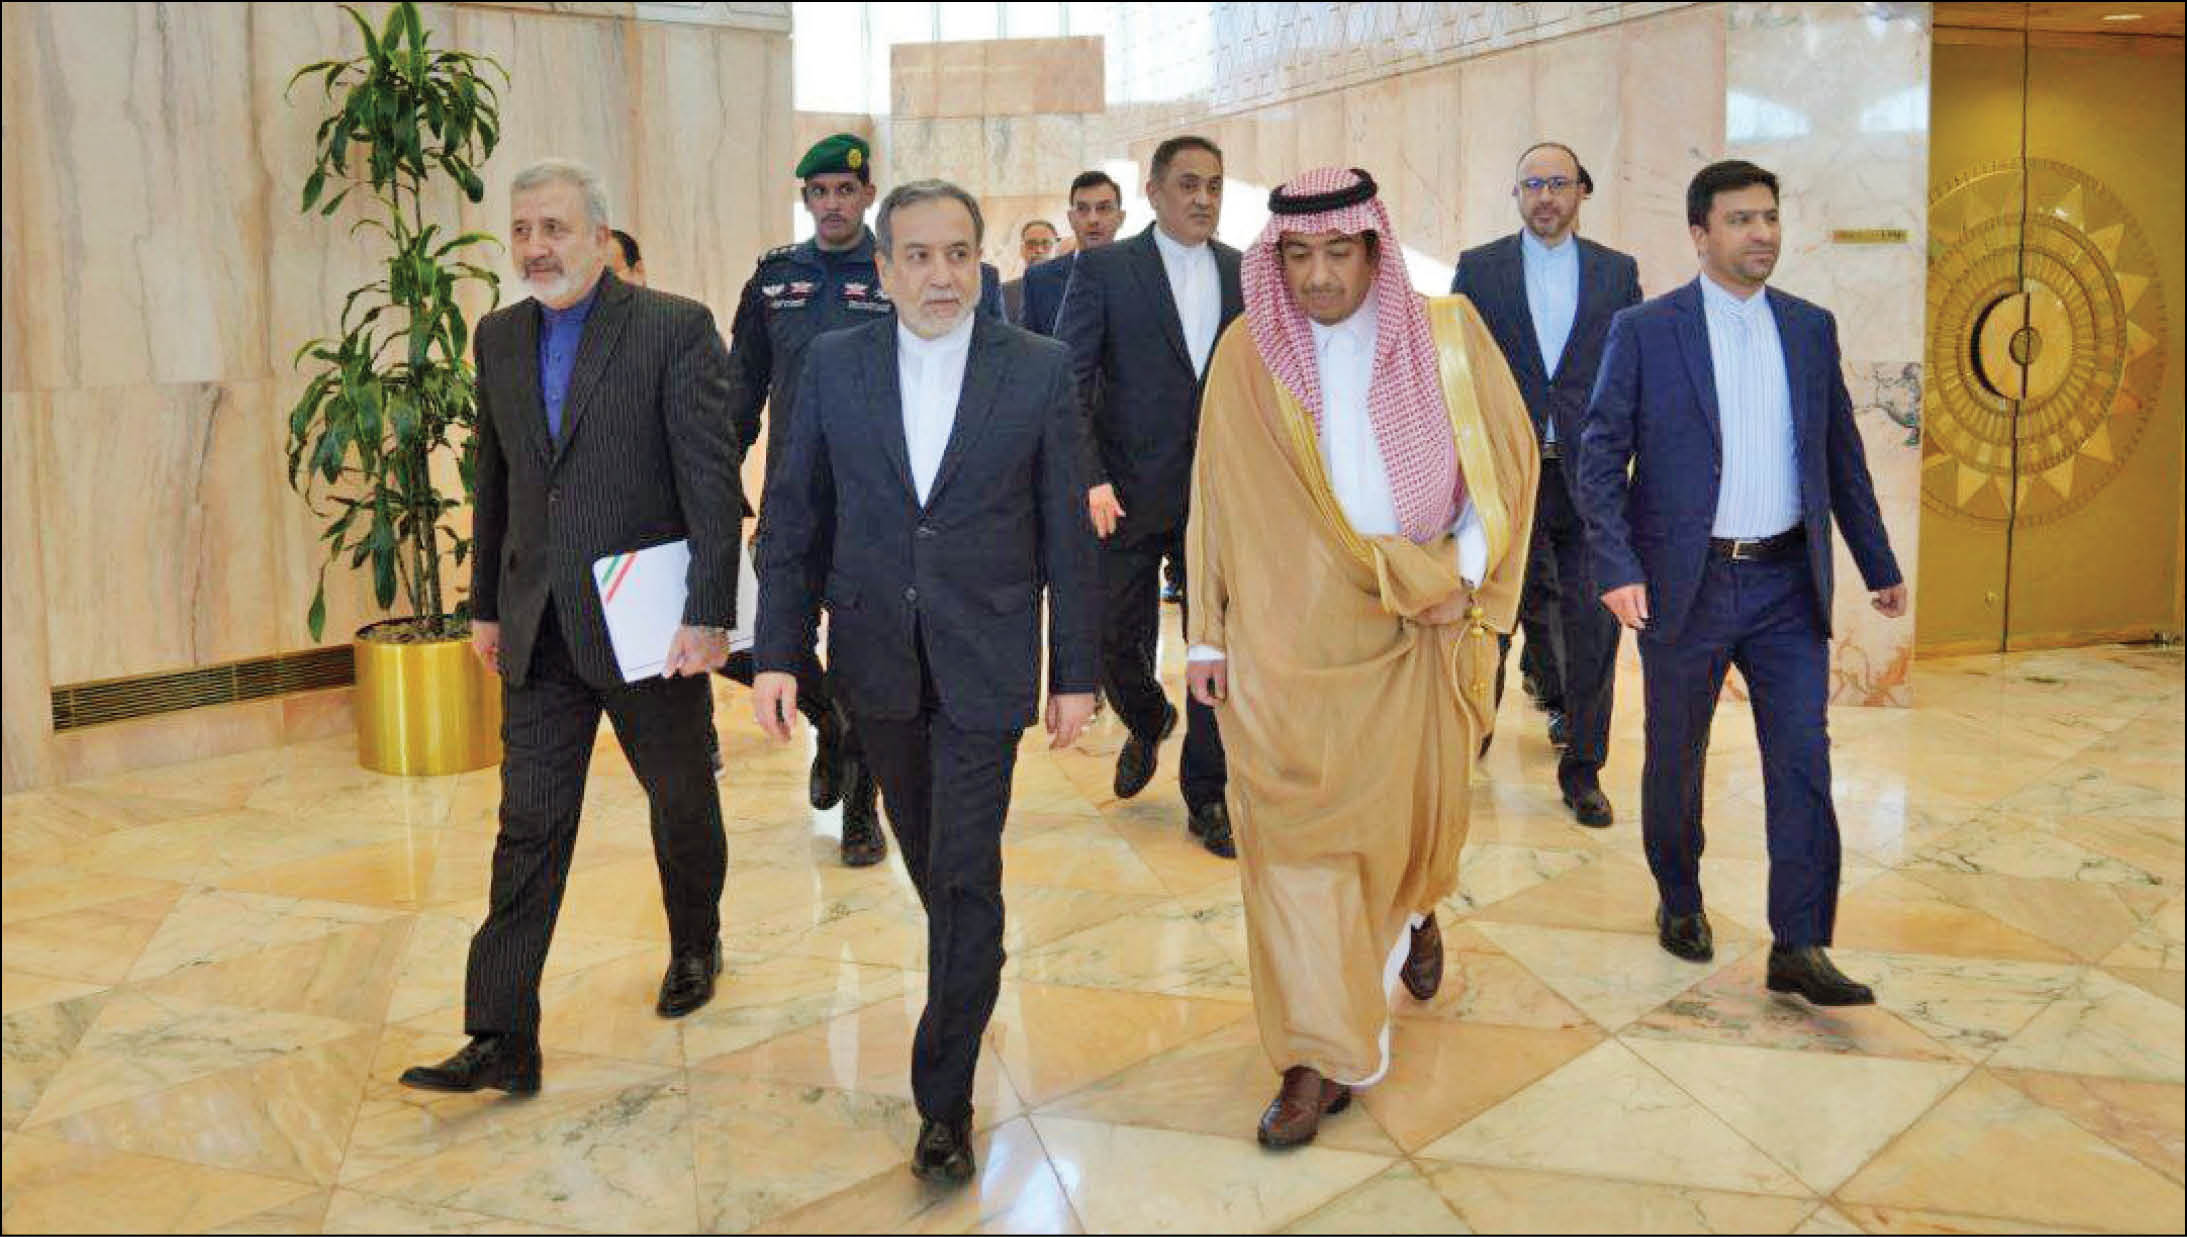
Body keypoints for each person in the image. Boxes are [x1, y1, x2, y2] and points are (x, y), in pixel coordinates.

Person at [751, 180, 1099, 1184]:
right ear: (884, 268)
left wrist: (1075, 671)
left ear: (979, 261)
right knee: (935, 865)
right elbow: (794, 517)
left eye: (957, 254)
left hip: (987, 663)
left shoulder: (1037, 368)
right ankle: (966, 964)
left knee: (964, 871)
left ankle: (942, 1103)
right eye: (918, 255)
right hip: (877, 666)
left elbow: (1067, 531)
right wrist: (777, 653)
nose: (940, 275)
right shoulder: (833, 365)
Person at [1185, 166, 1538, 1148]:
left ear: (1375, 249)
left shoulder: (1447, 336)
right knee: (1294, 846)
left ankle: (1416, 905)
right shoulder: (1247, 352)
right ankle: (1315, 1054)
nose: (1318, 276)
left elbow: (1505, 466)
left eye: (1338, 252)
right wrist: (1206, 630)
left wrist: (1456, 574)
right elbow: (1213, 491)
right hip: (1282, 642)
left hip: (1414, 628)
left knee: (1395, 833)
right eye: (1298, 255)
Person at [400, 158, 741, 1095]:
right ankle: (501, 1032)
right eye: (521, 230)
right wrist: (483, 604)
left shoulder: (672, 327)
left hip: (647, 627)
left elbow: (711, 482)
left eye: (554, 228)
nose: (536, 247)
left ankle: (696, 940)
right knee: (528, 825)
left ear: (598, 235)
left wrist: (709, 612)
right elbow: (498, 479)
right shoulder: (499, 336)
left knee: (680, 797)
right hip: (539, 625)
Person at [1577, 160, 1907, 1005]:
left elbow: (1839, 455)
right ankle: (1679, 897)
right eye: (1739, 220)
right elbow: (1599, 457)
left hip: (1786, 584)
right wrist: (1616, 565)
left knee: (1801, 757)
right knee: (1675, 755)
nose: (1761, 233)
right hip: (1683, 584)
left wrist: (1876, 563)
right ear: (1699, 234)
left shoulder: (1808, 327)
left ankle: (1799, 941)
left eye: (1768, 217)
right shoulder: (1646, 330)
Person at [1055, 137, 1240, 857]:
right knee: (1109, 634)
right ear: (1155, 191)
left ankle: (1209, 794)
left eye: (1214, 185)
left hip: (1217, 500)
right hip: (1123, 495)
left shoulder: (1243, 271)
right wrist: (1089, 475)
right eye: (1188, 184)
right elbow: (1069, 380)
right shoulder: (1105, 269)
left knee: (1215, 645)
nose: (1203, 198)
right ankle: (1146, 715)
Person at [1451, 142, 1642, 826]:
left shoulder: (1616, 273)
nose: (1545, 197)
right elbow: (1457, 367)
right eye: (1531, 184)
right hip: (1505, 477)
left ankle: (1583, 769)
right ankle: (1467, 743)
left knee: (1593, 630)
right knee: (1490, 622)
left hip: (1589, 481)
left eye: (1558, 183)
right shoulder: (1481, 268)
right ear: (1516, 193)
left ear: (1581, 191)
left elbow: (1633, 373)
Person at [722, 132, 890, 865]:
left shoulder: (895, 272)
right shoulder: (774, 280)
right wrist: (716, 483)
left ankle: (861, 809)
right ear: (806, 199)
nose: (832, 204)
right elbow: (740, 391)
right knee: (766, 639)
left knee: (866, 658)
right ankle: (830, 724)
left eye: (845, 191)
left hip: (874, 502)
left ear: (867, 195)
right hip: (793, 496)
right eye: (819, 192)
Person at [1022, 171, 1126, 336]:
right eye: (1083, 209)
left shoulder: (1141, 274)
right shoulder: (1039, 279)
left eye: (1103, 208)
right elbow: (1028, 344)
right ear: (1071, 218)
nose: (1093, 219)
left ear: (1120, 218)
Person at [1002, 219, 1059, 324]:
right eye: (1031, 244)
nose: (1039, 250)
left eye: (1046, 244)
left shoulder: (1071, 289)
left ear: (1057, 248)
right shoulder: (1004, 292)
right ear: (1022, 249)